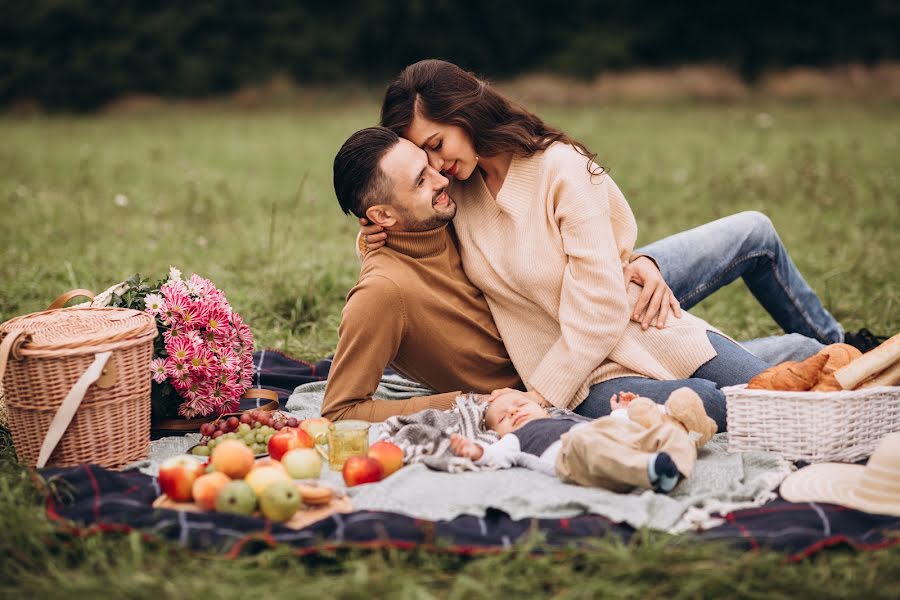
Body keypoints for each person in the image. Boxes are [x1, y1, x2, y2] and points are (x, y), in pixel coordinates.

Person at [364, 61, 886, 363]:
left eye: (436, 144)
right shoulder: (456, 191)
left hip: (608, 274)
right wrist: (370, 236)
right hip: (565, 307)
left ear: (463, 112)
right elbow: (403, 211)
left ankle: (842, 347)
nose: (436, 165)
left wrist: (641, 261)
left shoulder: (543, 158)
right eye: (421, 156)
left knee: (755, 230)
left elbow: (587, 229)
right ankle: (814, 358)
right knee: (751, 358)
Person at [448, 389, 697, 494]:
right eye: (503, 417)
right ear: (498, 433)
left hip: (605, 442)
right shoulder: (512, 440)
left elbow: (611, 432)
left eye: (520, 404)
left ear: (543, 409)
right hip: (574, 458)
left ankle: (673, 467)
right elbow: (495, 457)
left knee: (665, 432)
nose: (513, 412)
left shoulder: (567, 420)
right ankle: (649, 469)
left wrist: (620, 412)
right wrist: (476, 451)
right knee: (585, 440)